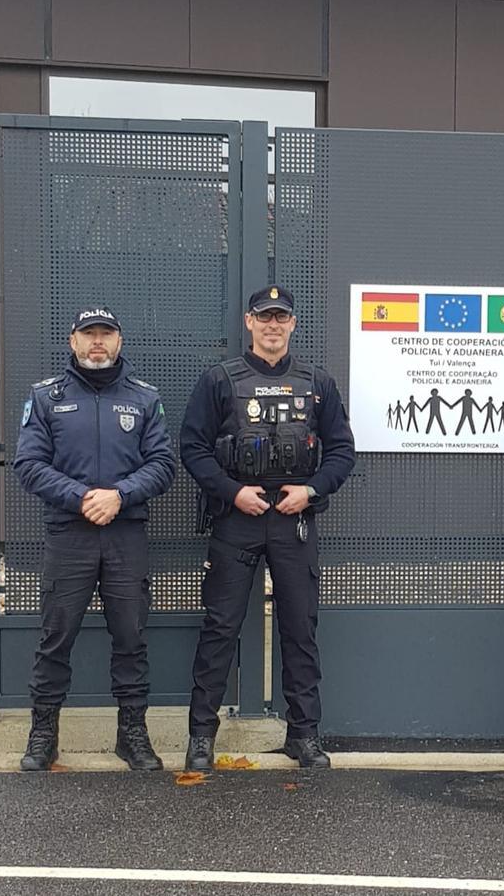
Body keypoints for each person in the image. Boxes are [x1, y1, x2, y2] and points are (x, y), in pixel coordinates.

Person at [180, 285, 356, 770]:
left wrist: (311, 490)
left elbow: (342, 452)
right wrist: (232, 491)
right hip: (238, 516)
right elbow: (192, 448)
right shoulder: (219, 380)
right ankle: (201, 736)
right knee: (220, 627)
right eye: (264, 317)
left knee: (299, 628)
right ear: (249, 322)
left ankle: (304, 735)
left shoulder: (317, 382)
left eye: (281, 317)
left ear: (293, 324)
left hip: (293, 518)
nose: (273, 325)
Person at [13, 307, 175, 772]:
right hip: (70, 534)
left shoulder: (145, 398)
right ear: (73, 341)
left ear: (119, 341)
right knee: (55, 637)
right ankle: (44, 735)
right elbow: (28, 464)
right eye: (89, 334)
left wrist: (119, 496)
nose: (97, 342)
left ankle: (132, 735)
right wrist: (81, 496)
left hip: (125, 534)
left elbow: (163, 464)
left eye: (106, 334)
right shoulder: (46, 397)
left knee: (131, 637)